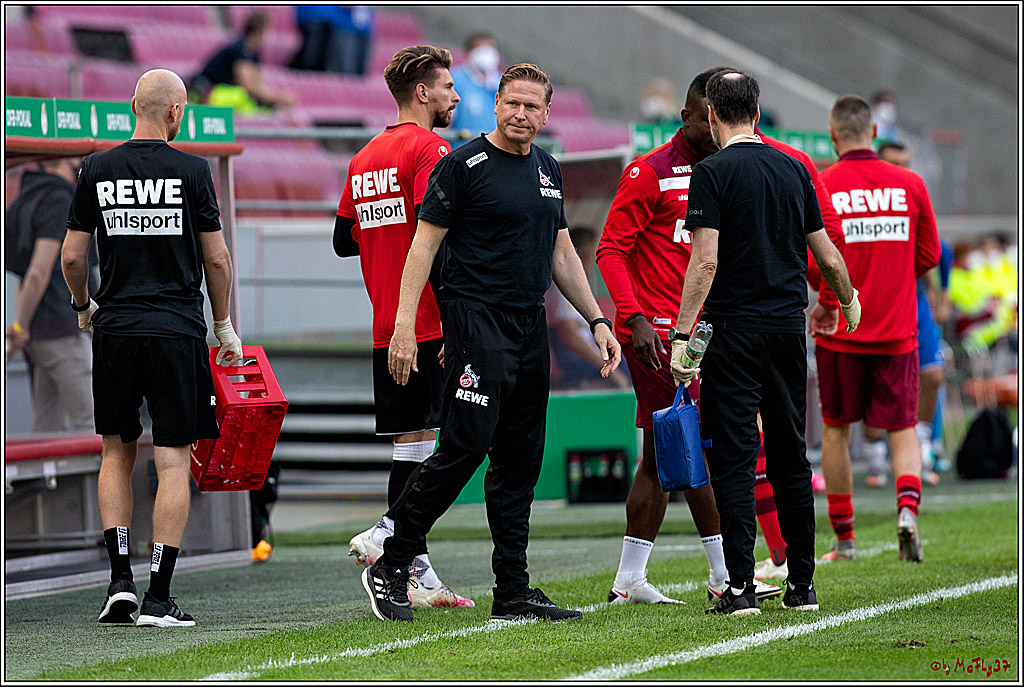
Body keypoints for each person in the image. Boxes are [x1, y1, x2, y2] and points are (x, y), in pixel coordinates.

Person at [363, 63, 621, 623]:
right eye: (512, 104)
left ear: (546, 114)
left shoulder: (548, 168)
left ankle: (513, 591)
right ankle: (392, 561)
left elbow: (562, 254)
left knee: (520, 460)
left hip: (529, 328)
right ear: (496, 104)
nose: (521, 115)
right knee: (464, 447)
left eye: (532, 107)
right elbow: (422, 249)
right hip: (475, 324)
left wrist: (597, 319)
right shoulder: (461, 166)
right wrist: (404, 325)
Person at [673, 70, 860, 616]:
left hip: (732, 333)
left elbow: (704, 262)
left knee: (734, 460)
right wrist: (847, 299)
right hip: (785, 332)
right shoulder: (794, 167)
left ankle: (740, 589)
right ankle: (802, 586)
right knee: (790, 455)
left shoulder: (710, 172)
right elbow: (825, 254)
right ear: (757, 113)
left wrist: (682, 335)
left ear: (711, 115)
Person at [61, 69, 243, 627]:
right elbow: (217, 259)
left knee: (116, 452)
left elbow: (72, 256)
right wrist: (224, 325)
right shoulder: (193, 170)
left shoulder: (96, 168)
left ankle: (120, 583)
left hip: (115, 330)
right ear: (176, 112)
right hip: (175, 331)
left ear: (132, 105)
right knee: (172, 460)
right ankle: (159, 597)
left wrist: (84, 306)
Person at [596, 67, 782, 606]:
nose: (715, 126)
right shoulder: (649, 172)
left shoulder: (729, 167)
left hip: (709, 331)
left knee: (661, 457)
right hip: (661, 337)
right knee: (700, 446)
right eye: (706, 119)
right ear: (686, 117)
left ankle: (630, 579)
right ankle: (725, 574)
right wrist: (633, 319)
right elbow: (610, 250)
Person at [334, 44, 472, 609]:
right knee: (455, 443)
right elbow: (435, 235)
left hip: (386, 321)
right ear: (422, 92)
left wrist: (382, 234)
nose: (455, 96)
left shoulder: (364, 156)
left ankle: (418, 571)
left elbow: (343, 240)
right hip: (426, 322)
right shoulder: (431, 148)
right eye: (447, 86)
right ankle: (389, 536)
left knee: (414, 442)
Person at [812, 94, 940, 565]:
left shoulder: (823, 184)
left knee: (836, 430)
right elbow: (929, 254)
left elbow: (813, 259)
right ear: (873, 133)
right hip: (897, 329)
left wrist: (831, 299)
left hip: (840, 331)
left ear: (833, 136)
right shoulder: (910, 183)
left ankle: (845, 540)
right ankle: (907, 511)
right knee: (903, 428)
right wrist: (894, 277)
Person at [861, 141, 948, 488]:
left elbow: (933, 250)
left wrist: (938, 294)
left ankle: (923, 445)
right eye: (896, 163)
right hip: (875, 303)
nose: (904, 169)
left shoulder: (913, 195)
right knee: (873, 382)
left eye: (907, 162)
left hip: (914, 301)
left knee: (933, 375)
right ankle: (875, 455)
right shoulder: (867, 203)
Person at [5, 157, 97, 433]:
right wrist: (21, 326)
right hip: (63, 330)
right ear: (63, 160)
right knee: (95, 422)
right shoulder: (58, 199)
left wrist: (23, 325)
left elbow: (26, 275)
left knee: (48, 428)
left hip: (41, 334)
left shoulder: (27, 198)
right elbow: (38, 271)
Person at [547, 226, 630, 391]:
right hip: (578, 358)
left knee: (631, 360)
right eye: (593, 255)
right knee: (626, 368)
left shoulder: (582, 287)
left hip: (592, 353)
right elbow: (569, 335)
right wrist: (606, 366)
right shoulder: (563, 287)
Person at [190, 13, 295, 113]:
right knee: (244, 98)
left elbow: (258, 82)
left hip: (225, 91)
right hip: (210, 92)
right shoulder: (240, 49)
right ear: (259, 30)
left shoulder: (255, 52)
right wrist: (277, 98)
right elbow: (248, 85)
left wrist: (276, 98)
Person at [448, 33, 501, 146]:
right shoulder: (454, 80)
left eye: (490, 48)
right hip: (463, 151)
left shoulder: (503, 82)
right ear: (469, 53)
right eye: (481, 49)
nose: (487, 54)